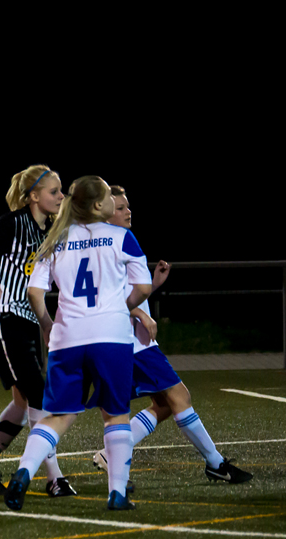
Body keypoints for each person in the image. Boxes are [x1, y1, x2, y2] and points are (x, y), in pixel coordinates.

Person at [3, 176, 152, 512]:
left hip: (66, 338)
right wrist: (120, 308)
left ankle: (24, 472)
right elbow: (143, 288)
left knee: (57, 415)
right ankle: (117, 493)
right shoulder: (122, 237)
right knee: (116, 415)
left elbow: (34, 292)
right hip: (110, 337)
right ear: (99, 205)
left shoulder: (55, 239)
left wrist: (46, 323)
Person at [91, 186, 253, 484]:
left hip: (124, 342)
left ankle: (109, 455)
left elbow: (122, 291)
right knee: (179, 397)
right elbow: (106, 296)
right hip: (133, 344)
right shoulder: (115, 243)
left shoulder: (105, 244)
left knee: (164, 404)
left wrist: (152, 285)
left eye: (128, 206)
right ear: (103, 212)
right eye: (121, 207)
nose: (128, 211)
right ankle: (215, 463)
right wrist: (140, 314)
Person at [0, 165, 75, 498]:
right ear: (34, 196)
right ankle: (53, 477)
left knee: (22, 401)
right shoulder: (12, 223)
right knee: (38, 395)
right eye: (54, 191)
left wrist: (46, 323)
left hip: (26, 320)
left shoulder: (50, 232)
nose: (61, 197)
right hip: (4, 315)